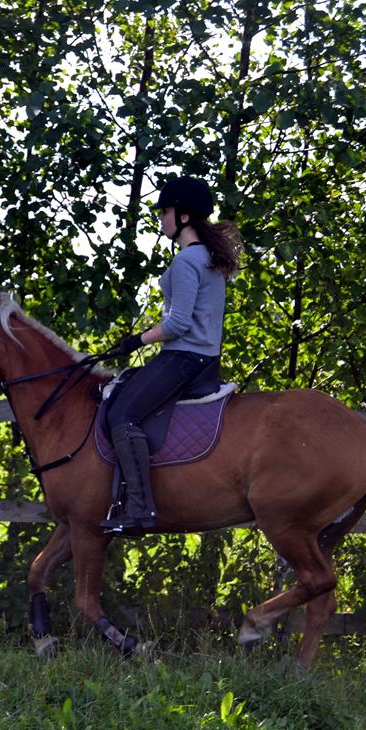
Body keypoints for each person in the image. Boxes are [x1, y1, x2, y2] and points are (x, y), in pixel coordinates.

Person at [101, 176, 243, 536]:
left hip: (183, 358)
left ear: (183, 216)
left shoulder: (186, 261)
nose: (161, 218)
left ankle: (139, 508)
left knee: (121, 414)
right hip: (206, 360)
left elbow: (178, 323)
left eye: (165, 211)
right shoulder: (209, 258)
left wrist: (137, 340)